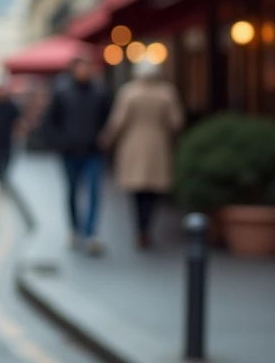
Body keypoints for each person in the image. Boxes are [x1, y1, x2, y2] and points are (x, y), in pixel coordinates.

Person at [99, 61, 184, 250]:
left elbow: (118, 121)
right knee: (153, 191)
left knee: (137, 191)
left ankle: (141, 228)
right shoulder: (166, 93)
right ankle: (147, 227)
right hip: (157, 145)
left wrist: (107, 139)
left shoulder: (129, 92)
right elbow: (176, 122)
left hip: (133, 145)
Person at [44, 57, 113, 255]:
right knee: (73, 191)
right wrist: (60, 143)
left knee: (93, 192)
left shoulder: (100, 93)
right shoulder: (62, 93)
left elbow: (109, 119)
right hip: (70, 152)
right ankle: (75, 229)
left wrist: (104, 138)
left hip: (92, 152)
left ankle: (90, 233)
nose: (84, 71)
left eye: (87, 67)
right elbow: (50, 122)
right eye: (81, 68)